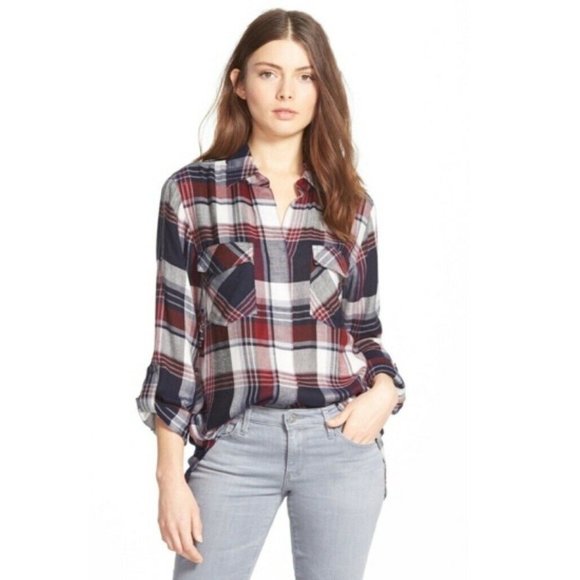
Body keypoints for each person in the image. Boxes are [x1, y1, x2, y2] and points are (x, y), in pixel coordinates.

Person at [135, 8, 407, 580]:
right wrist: (169, 477)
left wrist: (385, 391)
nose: (287, 92)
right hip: (234, 442)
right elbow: (174, 348)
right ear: (239, 83)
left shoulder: (351, 203)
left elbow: (364, 331)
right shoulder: (191, 193)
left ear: (322, 88)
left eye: (305, 76)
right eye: (268, 73)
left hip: (340, 440)